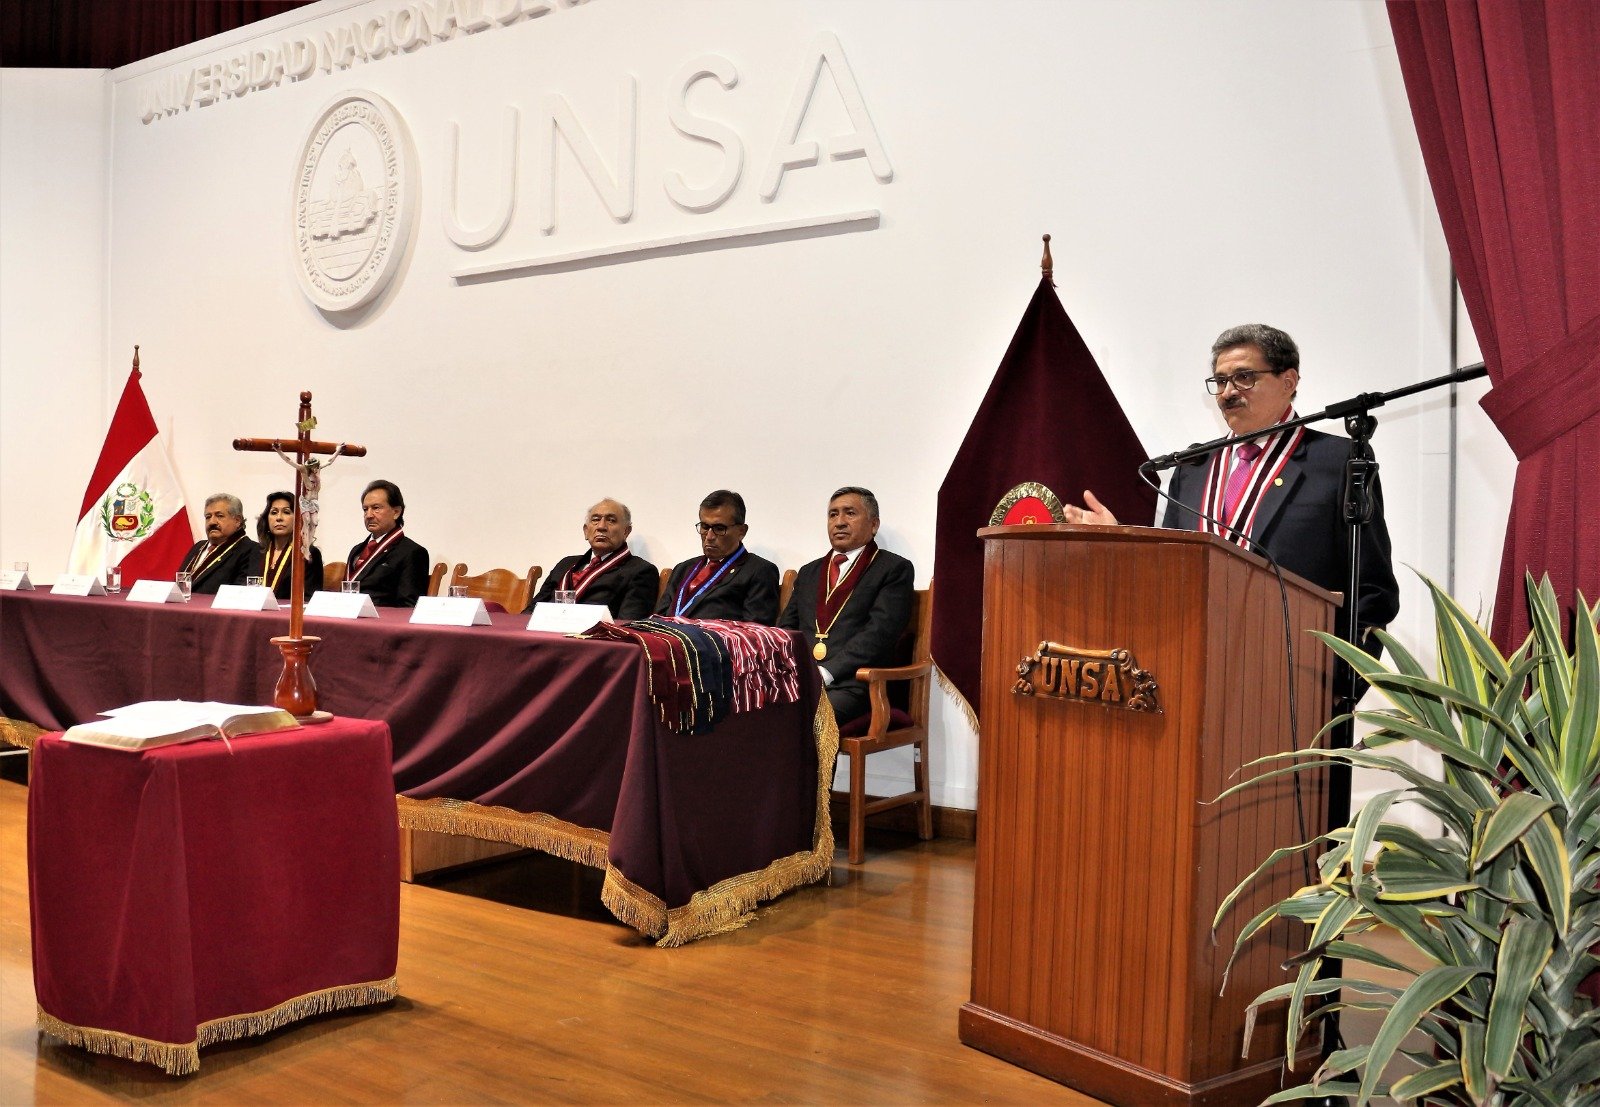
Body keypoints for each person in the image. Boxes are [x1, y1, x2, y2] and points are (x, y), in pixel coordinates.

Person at [1065, 323, 1399, 648]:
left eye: (1244, 377)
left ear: (1288, 381)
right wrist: (1119, 543)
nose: (1227, 393)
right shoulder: (1194, 467)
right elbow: (1168, 576)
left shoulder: (1337, 462)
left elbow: (1372, 589)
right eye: (1221, 381)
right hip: (1196, 668)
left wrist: (1338, 687)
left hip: (1296, 679)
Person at [779, 486, 915, 728]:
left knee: (803, 720)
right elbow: (786, 629)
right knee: (748, 711)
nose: (839, 522)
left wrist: (827, 672)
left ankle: (805, 768)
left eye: (850, 513)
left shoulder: (892, 569)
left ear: (874, 525)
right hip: (801, 679)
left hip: (856, 684)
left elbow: (879, 634)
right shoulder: (809, 572)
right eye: (833, 514)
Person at [656, 490, 781, 624]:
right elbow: (658, 618)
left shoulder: (759, 571)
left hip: (712, 643)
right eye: (704, 527)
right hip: (669, 640)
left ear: (742, 531)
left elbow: (754, 633)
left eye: (719, 528)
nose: (709, 537)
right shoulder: (683, 568)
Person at [525, 498, 658, 620]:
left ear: (626, 531)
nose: (601, 527)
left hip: (591, 642)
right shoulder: (565, 564)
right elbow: (531, 611)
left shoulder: (641, 571)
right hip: (543, 635)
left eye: (611, 520)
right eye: (595, 519)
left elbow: (627, 625)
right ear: (586, 531)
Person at [344, 479, 430, 608]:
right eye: (365, 509)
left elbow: (408, 606)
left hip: (381, 623)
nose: (368, 515)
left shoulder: (412, 552)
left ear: (396, 512)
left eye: (376, 508)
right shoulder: (356, 550)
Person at [245, 491, 324, 601]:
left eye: (286, 512)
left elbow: (309, 599)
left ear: (299, 519)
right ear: (266, 519)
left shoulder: (308, 553)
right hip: (255, 613)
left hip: (287, 616)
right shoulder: (257, 551)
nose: (279, 518)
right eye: (273, 512)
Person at [178, 493, 256, 595]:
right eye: (208, 517)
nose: (212, 522)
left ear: (237, 521)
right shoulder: (198, 547)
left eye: (219, 516)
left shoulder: (251, 550)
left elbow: (241, 594)